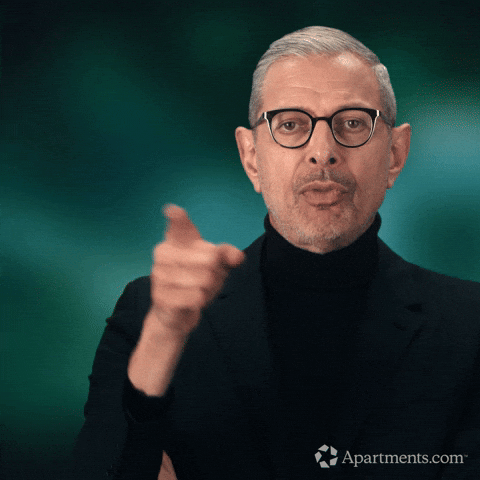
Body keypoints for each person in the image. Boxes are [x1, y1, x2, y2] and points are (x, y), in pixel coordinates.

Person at [72, 26, 480, 479]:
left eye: (352, 123)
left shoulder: (470, 323)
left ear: (395, 155)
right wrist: (164, 336)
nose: (322, 153)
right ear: (251, 157)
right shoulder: (149, 314)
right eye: (290, 124)